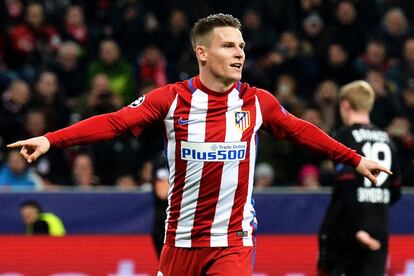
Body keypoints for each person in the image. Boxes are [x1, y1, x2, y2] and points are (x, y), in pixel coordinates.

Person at [8, 14, 391, 276]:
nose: (239, 53)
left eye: (241, 46)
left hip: (233, 240)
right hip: (179, 239)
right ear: (202, 53)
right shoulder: (171, 100)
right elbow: (113, 122)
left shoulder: (258, 102)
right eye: (228, 46)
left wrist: (355, 160)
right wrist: (50, 139)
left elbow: (302, 131)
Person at [318, 80, 402, 276]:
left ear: (345, 105)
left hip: (346, 232)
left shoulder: (343, 136)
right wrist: (374, 211)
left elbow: (346, 186)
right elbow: (396, 190)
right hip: (378, 229)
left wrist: (357, 227)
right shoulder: (387, 139)